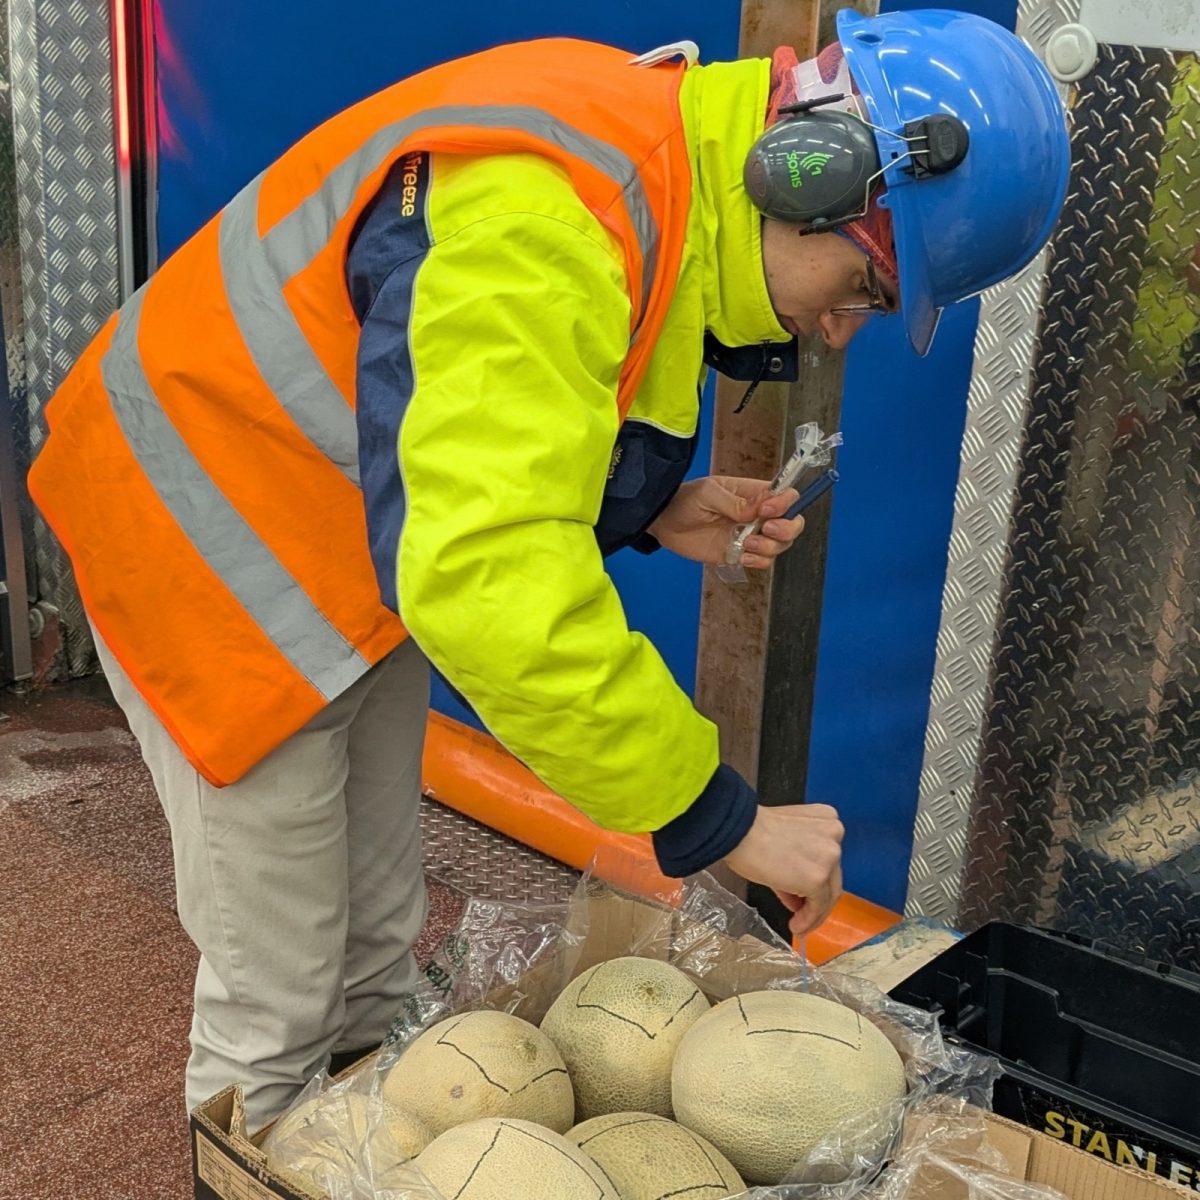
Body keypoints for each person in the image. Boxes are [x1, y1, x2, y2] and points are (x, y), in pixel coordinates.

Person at [27, 8, 1069, 1128]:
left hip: (340, 529)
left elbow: (498, 422)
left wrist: (653, 509)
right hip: (204, 534)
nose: (838, 332)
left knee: (377, 943)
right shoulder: (552, 210)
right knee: (279, 994)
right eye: (867, 287)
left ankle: (356, 1151)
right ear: (812, 175)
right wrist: (722, 819)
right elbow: (488, 578)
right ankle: (248, 1155)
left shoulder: (662, 164)